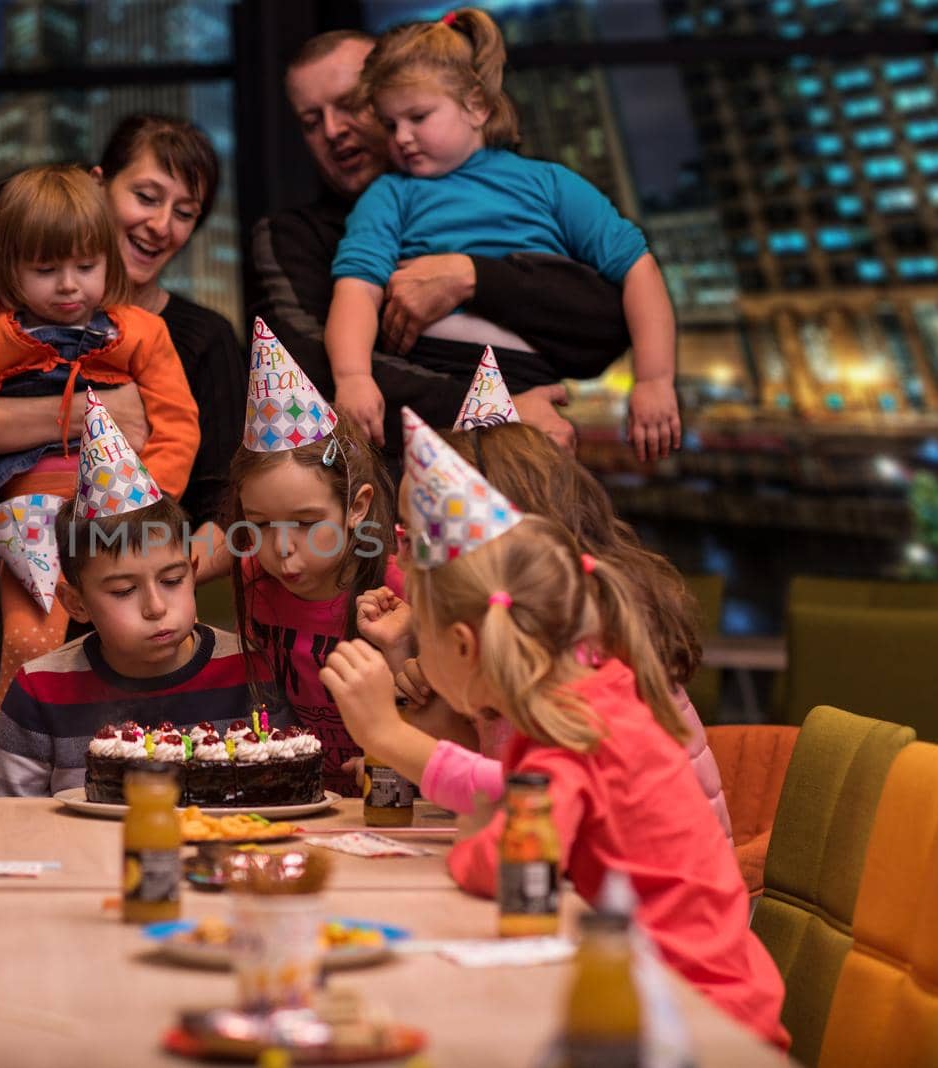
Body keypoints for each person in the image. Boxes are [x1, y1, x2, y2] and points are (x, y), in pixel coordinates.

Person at [322, 409, 786, 1048]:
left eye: (421, 630)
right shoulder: (586, 689)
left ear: (463, 641)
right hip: (669, 982)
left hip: (689, 1017)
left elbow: (509, 860)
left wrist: (467, 835)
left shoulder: (567, 728)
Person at [0, 114, 242, 730]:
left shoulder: (197, 338)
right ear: (99, 187)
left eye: (185, 211)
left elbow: (226, 509)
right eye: (146, 196)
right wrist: (99, 416)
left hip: (132, 606)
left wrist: (131, 578)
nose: (161, 224)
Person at [252, 29, 634, 453]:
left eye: (351, 105)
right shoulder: (291, 237)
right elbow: (300, 373)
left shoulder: (506, 199)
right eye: (311, 122)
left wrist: (472, 278)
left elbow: (606, 327)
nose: (332, 129)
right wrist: (494, 410)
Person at [325, 12, 681, 461]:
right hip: (435, 372)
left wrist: (653, 380)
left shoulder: (549, 183)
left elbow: (637, 268)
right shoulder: (390, 194)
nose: (402, 137)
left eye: (418, 116)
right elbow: (357, 287)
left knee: (530, 513)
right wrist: (353, 376)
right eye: (390, 124)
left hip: (530, 377)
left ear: (477, 105)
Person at [355, 422, 730, 837]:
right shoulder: (545, 641)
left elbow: (522, 807)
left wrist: (388, 735)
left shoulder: (581, 673)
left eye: (416, 540)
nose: (402, 562)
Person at [0, 422, 284, 796]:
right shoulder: (41, 691)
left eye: (173, 581)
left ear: (193, 573)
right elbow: (10, 822)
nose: (156, 607)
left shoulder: (250, 670)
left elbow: (282, 792)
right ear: (76, 604)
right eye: (125, 591)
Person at [221, 325, 398, 795]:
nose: (281, 549)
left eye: (304, 522)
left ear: (356, 508)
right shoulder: (256, 579)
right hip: (297, 800)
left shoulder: (397, 592)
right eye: (259, 525)